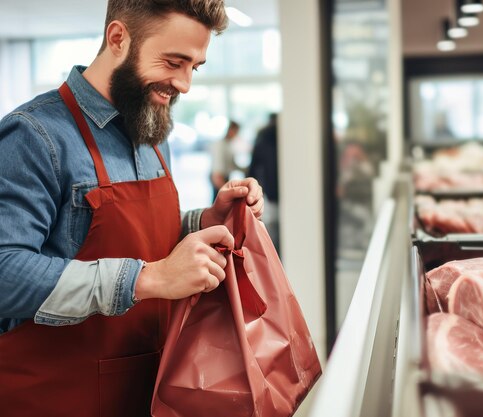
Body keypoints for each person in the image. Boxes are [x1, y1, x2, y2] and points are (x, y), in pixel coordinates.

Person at [0, 1, 264, 416]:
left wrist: (205, 221)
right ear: (118, 39)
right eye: (173, 62)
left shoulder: (151, 130)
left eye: (194, 67)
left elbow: (131, 234)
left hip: (147, 390)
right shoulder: (35, 136)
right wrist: (149, 277)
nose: (184, 84)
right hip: (57, 395)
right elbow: (4, 271)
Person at [248, 113, 280, 253]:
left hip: (269, 188)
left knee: (272, 225)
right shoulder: (286, 134)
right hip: (281, 188)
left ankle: (272, 256)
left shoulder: (263, 135)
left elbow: (254, 164)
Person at [210, 119, 240, 202]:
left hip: (225, 178)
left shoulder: (229, 145)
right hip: (219, 179)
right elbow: (217, 174)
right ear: (230, 130)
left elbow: (232, 164)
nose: (236, 135)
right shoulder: (219, 145)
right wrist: (225, 190)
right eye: (236, 132)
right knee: (218, 204)